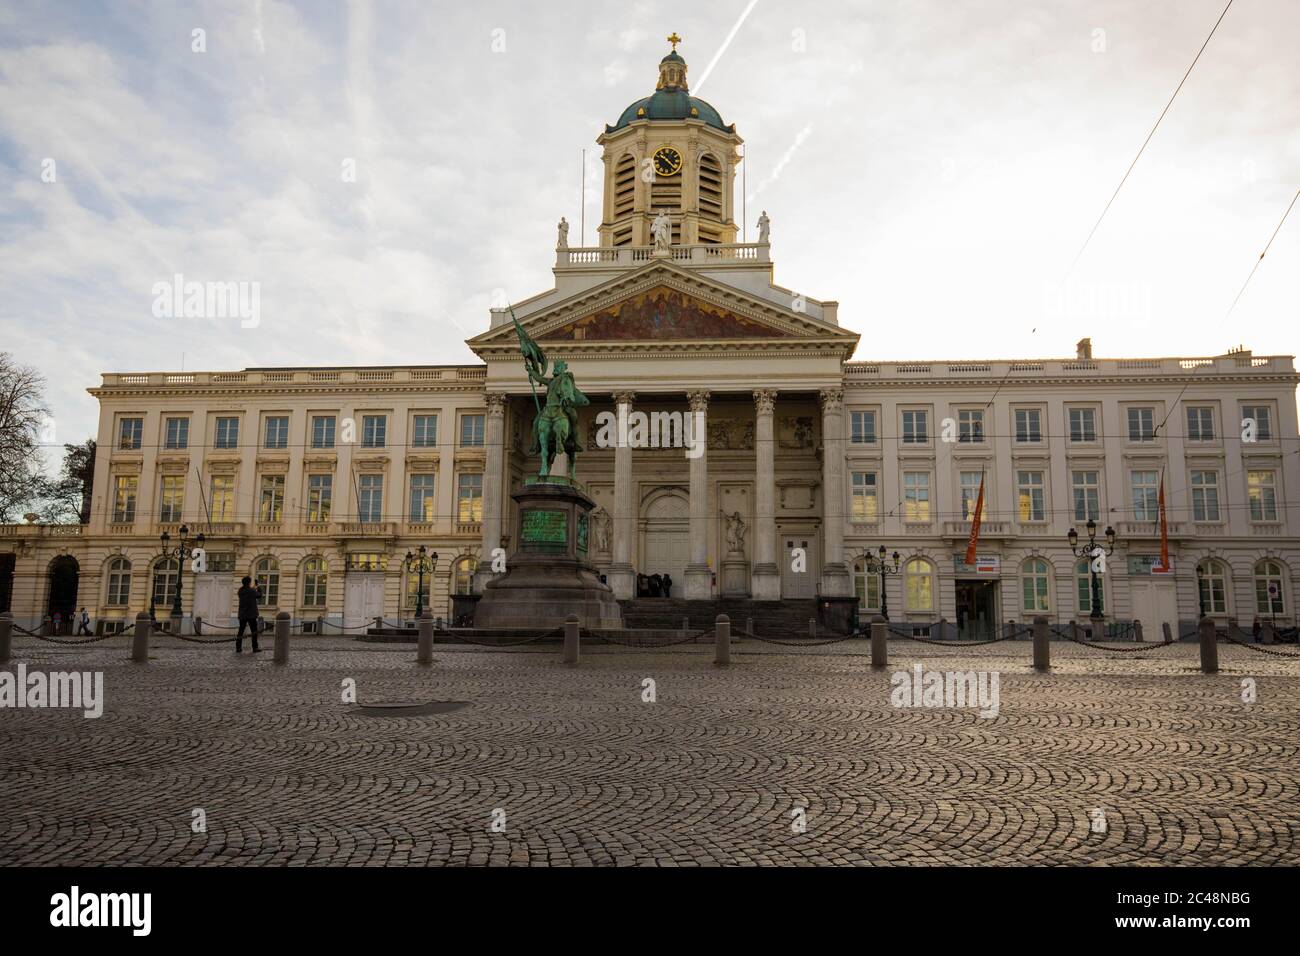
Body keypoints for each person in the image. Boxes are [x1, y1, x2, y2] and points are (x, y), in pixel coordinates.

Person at [235, 576, 262, 654]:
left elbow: (250, 592)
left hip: (242, 614)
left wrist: (254, 587)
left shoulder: (240, 590)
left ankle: (238, 647)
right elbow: (259, 595)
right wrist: (259, 587)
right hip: (251, 614)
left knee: (241, 631)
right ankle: (255, 647)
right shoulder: (251, 591)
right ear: (249, 582)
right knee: (254, 631)